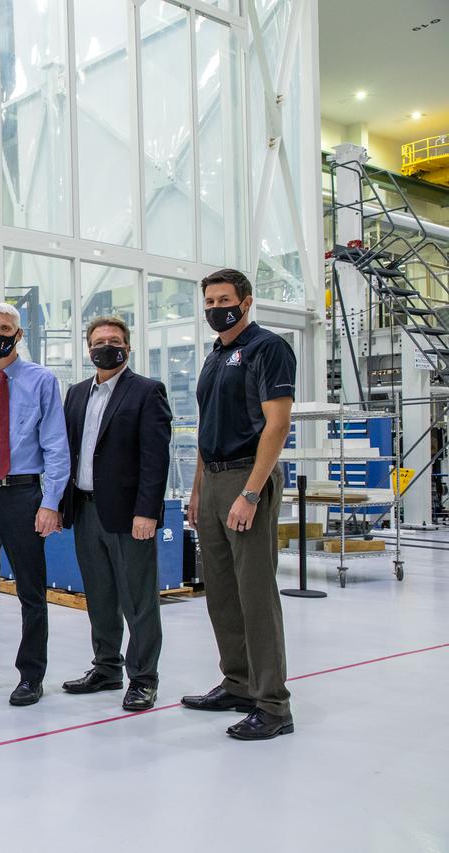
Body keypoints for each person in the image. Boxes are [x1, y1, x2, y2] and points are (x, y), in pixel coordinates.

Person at [183, 268, 296, 741]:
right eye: (208, 301)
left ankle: (273, 706)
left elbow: (277, 424)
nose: (215, 308)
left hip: (248, 477)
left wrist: (251, 492)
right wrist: (196, 490)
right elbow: (207, 429)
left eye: (223, 299)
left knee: (254, 594)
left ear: (246, 301)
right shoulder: (215, 355)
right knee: (222, 591)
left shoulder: (268, 348)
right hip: (213, 481)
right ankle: (238, 682)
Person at [0, 302, 69, 706]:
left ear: (18, 335)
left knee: (31, 592)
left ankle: (31, 676)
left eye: (6, 327)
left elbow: (56, 445)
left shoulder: (42, 380)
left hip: (23, 494)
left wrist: (50, 502)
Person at [60, 316, 172, 712]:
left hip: (128, 516)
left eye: (114, 340)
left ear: (128, 346)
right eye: (99, 340)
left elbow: (155, 460)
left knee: (138, 600)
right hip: (86, 510)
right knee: (101, 597)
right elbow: (66, 454)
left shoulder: (146, 392)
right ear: (88, 348)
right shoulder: (75, 394)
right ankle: (106, 667)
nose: (106, 345)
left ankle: (143, 678)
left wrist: (148, 512)